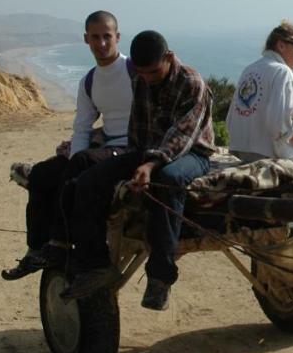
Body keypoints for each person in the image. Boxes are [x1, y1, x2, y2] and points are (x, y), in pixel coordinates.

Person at [61, 30, 215, 310]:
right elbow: (138, 132)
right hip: (148, 152)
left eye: (154, 72)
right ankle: (95, 264)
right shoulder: (140, 78)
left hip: (193, 154)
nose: (148, 78)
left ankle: (160, 277)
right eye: (142, 73)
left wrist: (149, 165)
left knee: (168, 180)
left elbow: (181, 136)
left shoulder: (192, 83)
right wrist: (130, 162)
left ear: (168, 58)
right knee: (88, 181)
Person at [0, 10, 134, 280]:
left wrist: (78, 162)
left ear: (118, 37)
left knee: (80, 166)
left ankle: (60, 243)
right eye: (95, 37)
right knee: (41, 174)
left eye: (107, 36)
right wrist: (73, 158)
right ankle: (36, 249)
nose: (102, 43)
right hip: (105, 147)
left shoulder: (135, 71)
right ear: (86, 39)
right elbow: (82, 127)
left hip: (132, 148)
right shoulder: (90, 81)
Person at [225, 20, 293, 163]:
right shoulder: (282, 72)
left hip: (242, 151)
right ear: (281, 45)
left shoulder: (249, 69)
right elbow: (279, 124)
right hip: (270, 152)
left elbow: (230, 120)